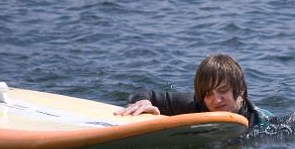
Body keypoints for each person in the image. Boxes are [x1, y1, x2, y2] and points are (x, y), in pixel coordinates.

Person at [114, 54, 272, 129]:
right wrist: (143, 101)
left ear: (241, 90)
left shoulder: (261, 122)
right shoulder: (193, 104)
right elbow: (143, 91)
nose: (216, 100)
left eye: (223, 91)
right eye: (208, 94)